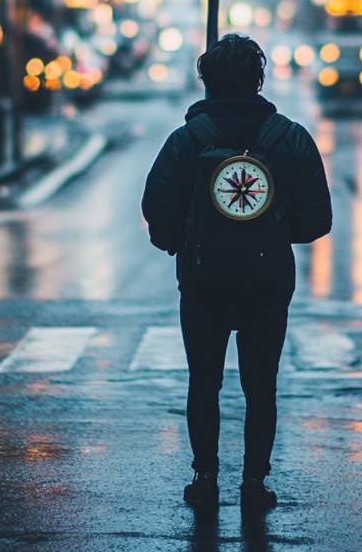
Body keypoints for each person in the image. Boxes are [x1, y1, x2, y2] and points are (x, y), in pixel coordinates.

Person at [141, 33, 332, 511]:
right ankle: (254, 483)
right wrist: (273, 230)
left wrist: (181, 244)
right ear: (258, 80)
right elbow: (318, 219)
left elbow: (157, 209)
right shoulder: (289, 139)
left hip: (203, 283)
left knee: (204, 382)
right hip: (268, 285)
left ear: (206, 81)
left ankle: (205, 478)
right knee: (260, 385)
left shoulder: (187, 141)